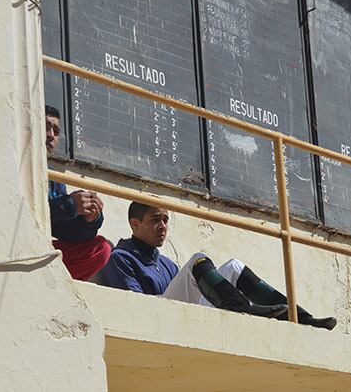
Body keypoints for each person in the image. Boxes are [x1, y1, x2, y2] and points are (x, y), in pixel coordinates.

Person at [99, 202, 336, 330]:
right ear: (134, 223)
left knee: (234, 266)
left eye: (165, 219)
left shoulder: (166, 263)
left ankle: (301, 317)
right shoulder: (122, 257)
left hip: (184, 318)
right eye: (155, 220)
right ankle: (242, 307)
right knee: (196, 261)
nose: (163, 226)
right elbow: (136, 307)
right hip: (154, 322)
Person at [46, 105, 112, 280]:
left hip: (43, 248)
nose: (51, 135)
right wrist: (70, 205)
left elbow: (63, 230)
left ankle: (57, 284)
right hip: (19, 245)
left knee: (102, 248)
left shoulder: (54, 179)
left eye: (56, 130)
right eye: (46, 126)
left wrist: (88, 220)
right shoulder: (16, 165)